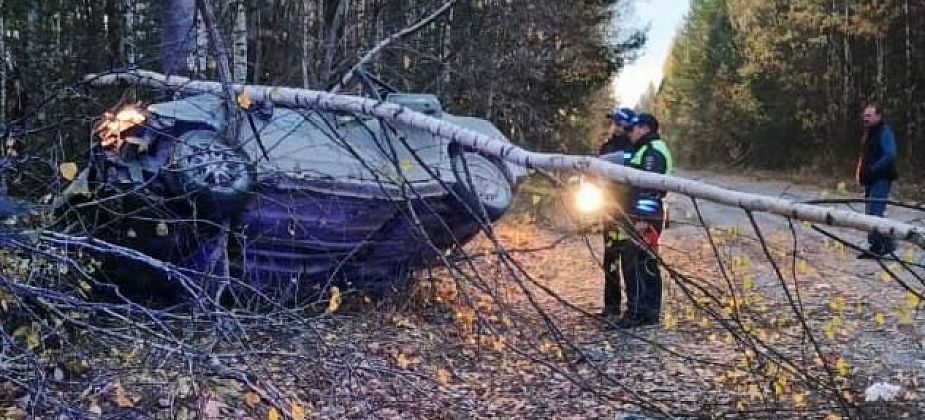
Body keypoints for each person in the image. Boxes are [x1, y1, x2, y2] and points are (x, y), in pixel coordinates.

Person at [613, 113, 673, 329]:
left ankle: (637, 313)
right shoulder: (646, 149)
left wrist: (643, 220)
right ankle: (648, 313)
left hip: (645, 216)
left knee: (635, 263)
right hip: (643, 215)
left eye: (635, 128)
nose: (632, 132)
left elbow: (650, 188)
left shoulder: (652, 152)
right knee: (645, 263)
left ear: (645, 128)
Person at [598, 107, 636, 319]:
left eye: (620, 124)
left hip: (627, 209)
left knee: (629, 258)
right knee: (609, 258)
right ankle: (611, 306)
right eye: (614, 123)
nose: (615, 127)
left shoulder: (633, 149)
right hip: (607, 206)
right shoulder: (606, 146)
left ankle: (633, 306)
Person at [856, 104, 898, 258]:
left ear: (879, 116)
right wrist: (860, 173)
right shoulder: (869, 134)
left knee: (876, 212)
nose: (865, 118)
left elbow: (890, 155)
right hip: (870, 180)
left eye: (869, 115)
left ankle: (884, 244)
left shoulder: (885, 132)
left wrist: (873, 169)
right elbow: (864, 155)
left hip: (881, 179)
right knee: (869, 213)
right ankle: (878, 244)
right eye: (865, 115)